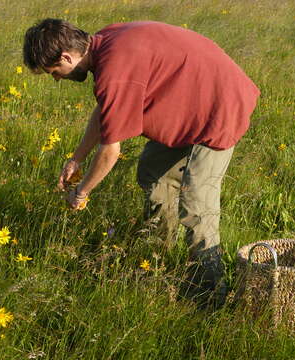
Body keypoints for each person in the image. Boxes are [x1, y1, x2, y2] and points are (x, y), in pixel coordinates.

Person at [23, 19, 260, 310]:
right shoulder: (104, 43)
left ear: (66, 57)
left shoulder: (114, 69)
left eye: (54, 72)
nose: (57, 79)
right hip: (189, 104)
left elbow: (110, 150)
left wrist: (82, 193)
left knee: (197, 201)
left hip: (220, 106)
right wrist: (77, 159)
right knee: (152, 171)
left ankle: (211, 293)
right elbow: (105, 110)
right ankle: (161, 257)